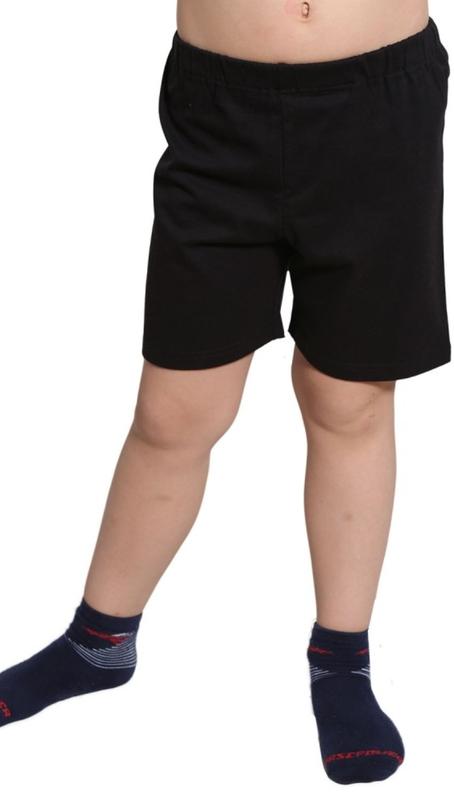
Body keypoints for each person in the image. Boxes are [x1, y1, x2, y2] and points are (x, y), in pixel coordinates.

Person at [0, 0, 450, 786]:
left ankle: (341, 660)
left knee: (348, 399)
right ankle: (98, 643)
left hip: (377, 107)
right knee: (175, 409)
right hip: (220, 107)